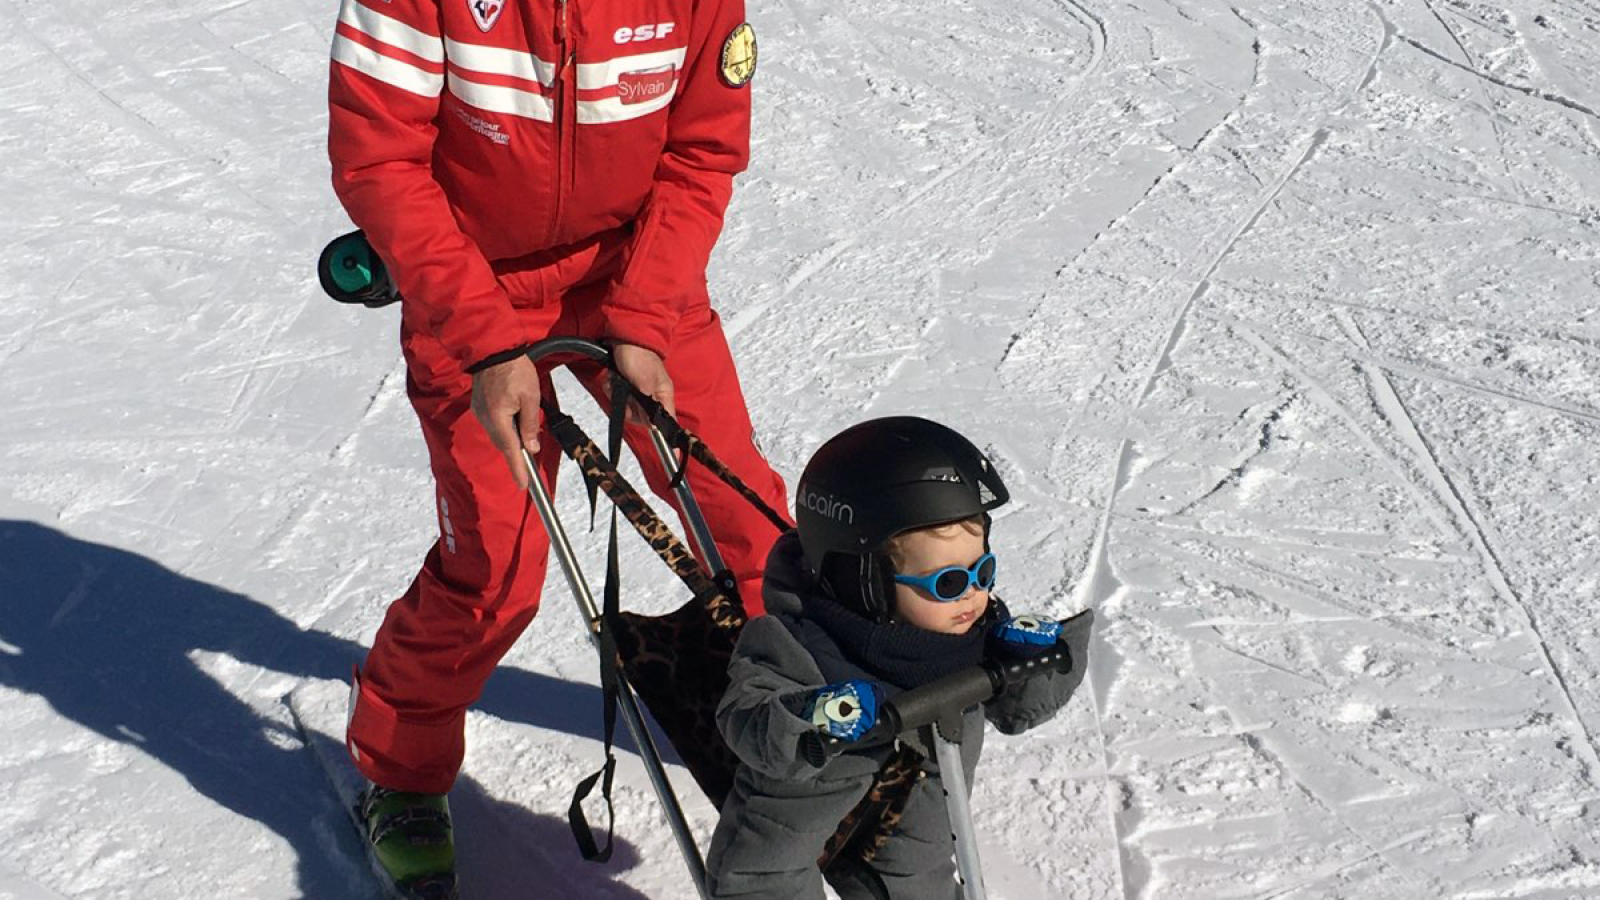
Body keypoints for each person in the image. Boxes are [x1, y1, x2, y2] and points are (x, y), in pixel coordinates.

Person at [325, 0, 786, 895]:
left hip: (634, 276)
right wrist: (488, 341)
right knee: (496, 567)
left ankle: (810, 727)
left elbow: (702, 152)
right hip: (472, 286)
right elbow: (379, 158)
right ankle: (399, 766)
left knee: (746, 521)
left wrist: (647, 314)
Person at [706, 417, 1095, 899]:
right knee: (761, 880)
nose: (973, 595)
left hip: (918, 811)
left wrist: (1034, 657)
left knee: (918, 881)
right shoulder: (795, 642)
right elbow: (745, 714)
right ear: (862, 580)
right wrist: (811, 717)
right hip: (792, 820)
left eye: (983, 570)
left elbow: (1020, 708)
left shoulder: (975, 630)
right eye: (947, 582)